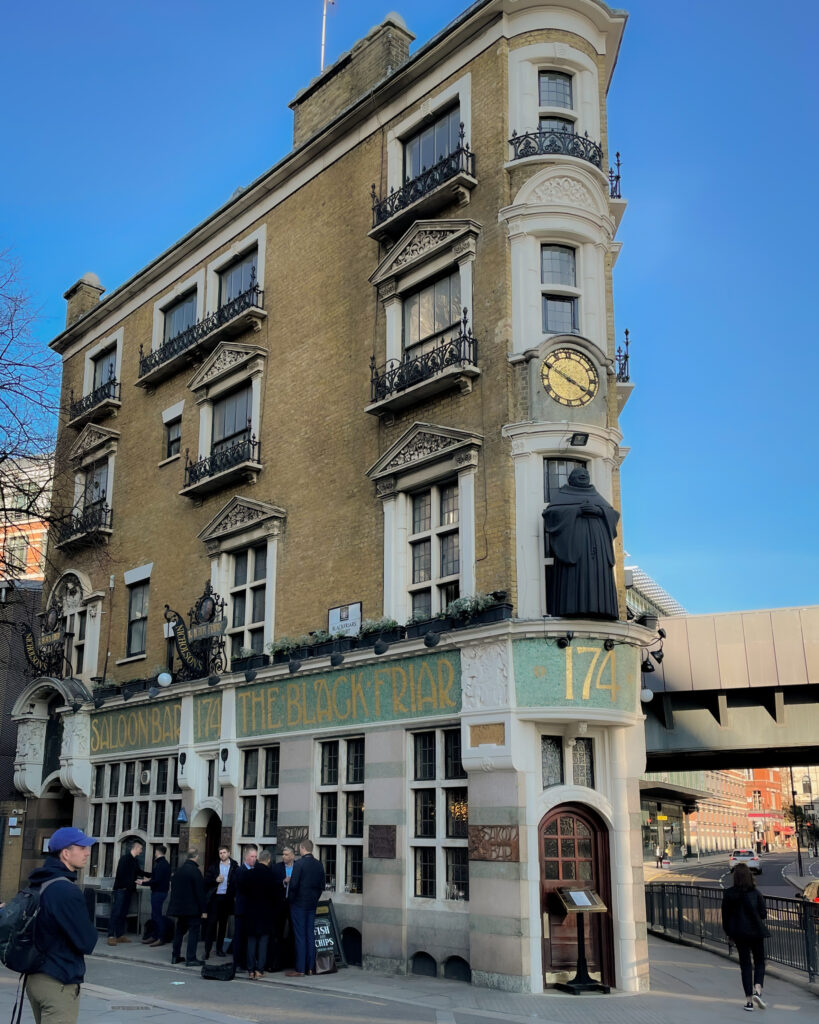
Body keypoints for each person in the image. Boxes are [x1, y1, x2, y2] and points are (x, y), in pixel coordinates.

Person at [25, 826, 99, 1024]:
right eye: (82, 847)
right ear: (66, 853)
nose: (87, 852)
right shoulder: (65, 890)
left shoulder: (40, 882)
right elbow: (86, 942)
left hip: (35, 978)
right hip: (58, 981)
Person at [542, 466, 620, 619]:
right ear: (571, 479)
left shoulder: (596, 495)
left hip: (598, 552)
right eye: (579, 474)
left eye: (585, 473)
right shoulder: (563, 495)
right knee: (576, 575)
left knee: (597, 574)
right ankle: (573, 607)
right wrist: (576, 511)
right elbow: (550, 514)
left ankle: (602, 608)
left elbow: (614, 514)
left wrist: (599, 511)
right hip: (575, 549)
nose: (583, 475)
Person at [721, 861, 769, 1011]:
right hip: (756, 932)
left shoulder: (728, 894)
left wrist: (729, 933)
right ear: (749, 876)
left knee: (745, 966)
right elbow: (763, 914)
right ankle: (758, 990)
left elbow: (725, 917)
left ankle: (749, 1001)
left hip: (739, 934)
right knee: (760, 962)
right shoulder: (756, 893)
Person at [286, 838, 325, 977]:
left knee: (300, 936)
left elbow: (294, 885)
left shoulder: (300, 864)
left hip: (299, 904)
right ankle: (310, 967)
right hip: (311, 904)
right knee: (310, 935)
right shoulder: (319, 865)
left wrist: (291, 900)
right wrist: (314, 899)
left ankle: (300, 969)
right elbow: (322, 886)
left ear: (302, 848)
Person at [238, 849, 275, 979]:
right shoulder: (271, 875)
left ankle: (251, 970)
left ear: (259, 859)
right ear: (269, 860)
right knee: (263, 942)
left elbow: (242, 891)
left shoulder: (249, 874)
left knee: (251, 941)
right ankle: (260, 970)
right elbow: (275, 897)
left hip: (251, 912)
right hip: (265, 913)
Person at [167, 848, 207, 967]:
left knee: (179, 931)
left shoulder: (178, 871)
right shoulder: (195, 871)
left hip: (179, 909)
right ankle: (191, 958)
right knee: (193, 932)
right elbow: (200, 893)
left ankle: (175, 956)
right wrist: (204, 910)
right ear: (196, 857)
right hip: (192, 909)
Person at [107, 839, 149, 945]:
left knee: (123, 913)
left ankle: (120, 935)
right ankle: (111, 935)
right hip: (121, 890)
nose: (141, 851)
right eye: (140, 848)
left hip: (129, 891)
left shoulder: (135, 861)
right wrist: (132, 881)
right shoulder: (124, 859)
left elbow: (139, 872)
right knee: (116, 912)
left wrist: (153, 875)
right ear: (135, 848)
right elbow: (121, 874)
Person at [204, 845, 238, 959]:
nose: (222, 855)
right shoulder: (214, 866)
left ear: (229, 853)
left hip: (227, 899)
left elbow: (236, 882)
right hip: (215, 898)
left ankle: (219, 949)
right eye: (220, 853)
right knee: (211, 925)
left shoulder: (234, 865)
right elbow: (206, 880)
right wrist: (215, 880)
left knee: (223, 925)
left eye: (224, 852)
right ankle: (207, 951)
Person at [232, 844, 258, 972]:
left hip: (249, 910)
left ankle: (245, 962)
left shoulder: (253, 870)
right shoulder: (241, 871)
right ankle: (238, 962)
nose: (254, 859)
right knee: (239, 937)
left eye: (256, 857)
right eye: (252, 856)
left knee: (247, 937)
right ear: (246, 857)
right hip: (242, 909)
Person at [271, 846, 295, 970]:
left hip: (293, 904)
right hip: (280, 904)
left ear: (292, 856)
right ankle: (276, 963)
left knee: (293, 933)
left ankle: (291, 961)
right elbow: (271, 884)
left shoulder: (298, 867)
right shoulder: (276, 867)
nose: (284, 857)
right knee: (277, 933)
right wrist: (283, 882)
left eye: (286, 854)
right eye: (283, 854)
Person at [145, 844, 171, 947]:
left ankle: (160, 938)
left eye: (155, 851)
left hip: (159, 892)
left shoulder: (162, 864)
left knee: (157, 916)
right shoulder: (161, 863)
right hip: (159, 892)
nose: (154, 853)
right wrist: (149, 880)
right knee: (154, 915)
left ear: (157, 852)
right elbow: (156, 878)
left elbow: (157, 881)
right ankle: (154, 936)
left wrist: (143, 883)